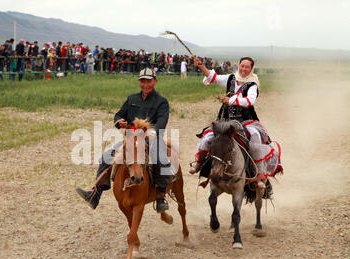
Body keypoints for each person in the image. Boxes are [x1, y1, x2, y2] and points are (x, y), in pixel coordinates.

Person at [76, 68, 172, 213]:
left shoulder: (161, 102)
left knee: (162, 159)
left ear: (155, 81)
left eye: (149, 81)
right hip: (132, 139)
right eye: (143, 81)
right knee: (106, 157)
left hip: (151, 139)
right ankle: (95, 194)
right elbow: (119, 114)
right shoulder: (131, 99)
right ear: (139, 82)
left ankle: (160, 198)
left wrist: (152, 132)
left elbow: (162, 121)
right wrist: (119, 121)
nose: (146, 84)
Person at [189, 57, 283, 189]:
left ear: (251, 69)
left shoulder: (252, 84)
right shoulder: (231, 78)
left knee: (255, 136)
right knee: (208, 138)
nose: (244, 69)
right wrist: (201, 67)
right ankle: (199, 164)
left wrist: (232, 100)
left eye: (247, 67)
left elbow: (249, 101)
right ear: (238, 66)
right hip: (225, 119)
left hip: (246, 120)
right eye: (242, 66)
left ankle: (259, 175)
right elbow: (213, 77)